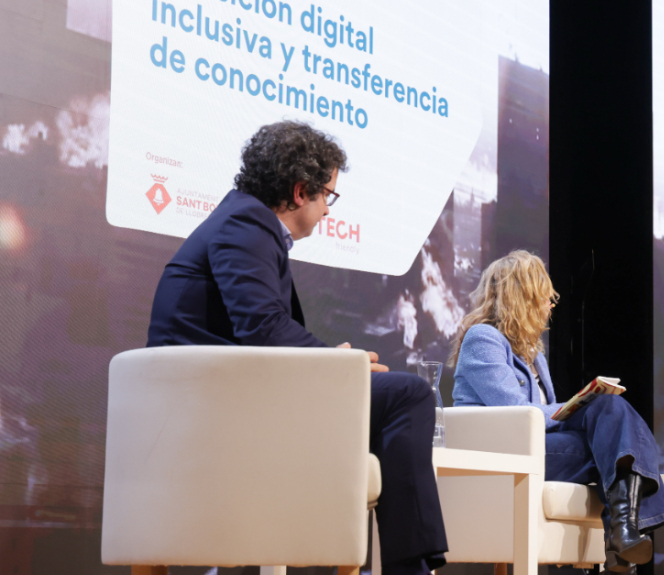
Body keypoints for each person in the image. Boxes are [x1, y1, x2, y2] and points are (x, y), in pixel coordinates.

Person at [146, 121, 447, 575]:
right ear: (301, 190)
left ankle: (395, 566)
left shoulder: (241, 221)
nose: (329, 209)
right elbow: (262, 328)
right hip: (214, 409)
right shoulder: (246, 222)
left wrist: (334, 365)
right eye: (329, 195)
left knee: (383, 406)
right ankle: (407, 569)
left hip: (220, 397)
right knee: (408, 396)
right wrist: (337, 364)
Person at [450, 250, 664, 574]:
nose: (551, 306)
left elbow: (543, 421)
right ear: (523, 298)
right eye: (545, 297)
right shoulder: (483, 338)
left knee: (610, 408)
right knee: (615, 438)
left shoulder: (533, 356)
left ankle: (623, 532)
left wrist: (580, 404)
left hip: (536, 448)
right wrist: (575, 405)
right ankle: (622, 534)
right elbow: (516, 413)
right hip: (504, 456)